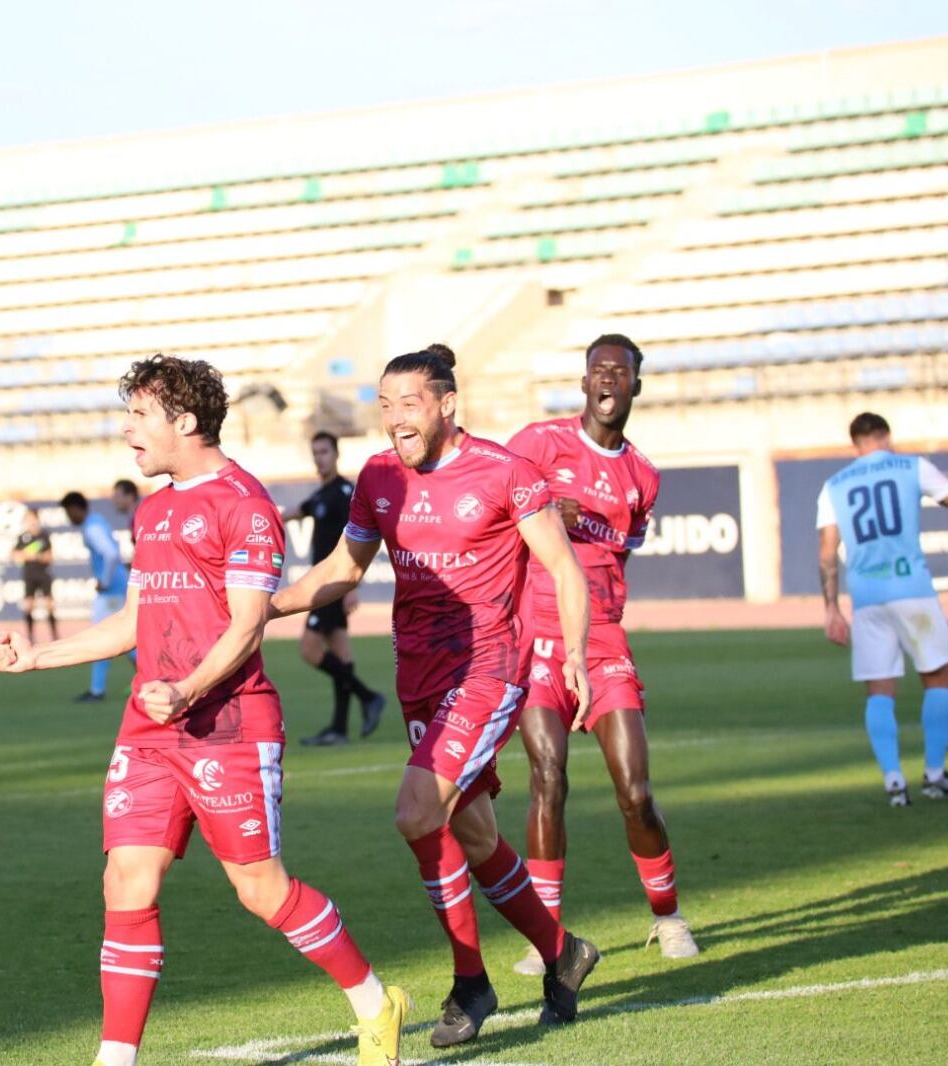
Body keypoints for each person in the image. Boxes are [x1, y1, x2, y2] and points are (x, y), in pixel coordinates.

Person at [0, 354, 409, 1066]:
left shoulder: (243, 506)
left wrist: (186, 691)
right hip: (148, 729)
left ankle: (377, 1002)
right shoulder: (152, 511)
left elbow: (248, 623)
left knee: (261, 891)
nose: (127, 431)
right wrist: (41, 655)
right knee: (125, 878)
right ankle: (115, 1058)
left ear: (184, 421)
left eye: (139, 416)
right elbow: (133, 618)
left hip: (229, 726)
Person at [272, 343, 600, 1046]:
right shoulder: (379, 478)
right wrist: (263, 609)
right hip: (418, 676)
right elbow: (340, 568)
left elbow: (564, 569)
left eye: (409, 403)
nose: (395, 419)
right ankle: (564, 953)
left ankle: (471, 983)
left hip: (488, 669)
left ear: (448, 404)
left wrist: (574, 656)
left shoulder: (505, 472)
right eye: (385, 406)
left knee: (417, 811)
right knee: (472, 830)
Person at [505, 333, 699, 977]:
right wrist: (538, 514)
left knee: (635, 791)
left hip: (605, 639)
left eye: (621, 372)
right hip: (536, 632)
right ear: (584, 382)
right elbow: (490, 510)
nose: (609, 381)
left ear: (636, 386)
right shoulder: (538, 444)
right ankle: (547, 938)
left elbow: (623, 549)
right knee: (548, 777)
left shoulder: (643, 475)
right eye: (598, 371)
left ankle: (668, 917)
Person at [818, 411, 948, 807]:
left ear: (855, 443)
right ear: (886, 436)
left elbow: (826, 555)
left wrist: (831, 609)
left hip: (867, 596)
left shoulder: (834, 485)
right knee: (936, 677)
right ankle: (935, 775)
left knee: (879, 689)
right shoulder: (912, 466)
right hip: (912, 589)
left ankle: (893, 781)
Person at [281, 430, 386, 746]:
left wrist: (353, 585)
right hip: (327, 585)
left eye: (324, 451)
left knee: (310, 650)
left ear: (336, 454)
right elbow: (296, 511)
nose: (319, 457)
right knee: (341, 652)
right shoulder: (321, 495)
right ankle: (339, 728)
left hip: (332, 585)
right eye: (315, 452)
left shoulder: (344, 493)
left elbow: (362, 539)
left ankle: (369, 696)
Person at [62, 490, 131, 702]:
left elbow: (110, 554)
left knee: (105, 638)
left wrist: (105, 580)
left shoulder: (91, 527)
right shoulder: (97, 520)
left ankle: (97, 690)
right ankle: (155, 677)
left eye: (68, 512)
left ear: (75, 509)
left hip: (112, 590)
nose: (68, 517)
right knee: (123, 637)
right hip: (119, 586)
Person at [15, 508, 58, 643]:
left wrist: (36, 556)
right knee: (29, 605)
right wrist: (26, 555)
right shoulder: (23, 537)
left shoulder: (44, 536)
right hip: (29, 575)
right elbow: (16, 555)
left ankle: (54, 636)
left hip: (43, 574)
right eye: (27, 519)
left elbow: (49, 557)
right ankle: (30, 637)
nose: (30, 522)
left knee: (49, 605)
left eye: (32, 518)